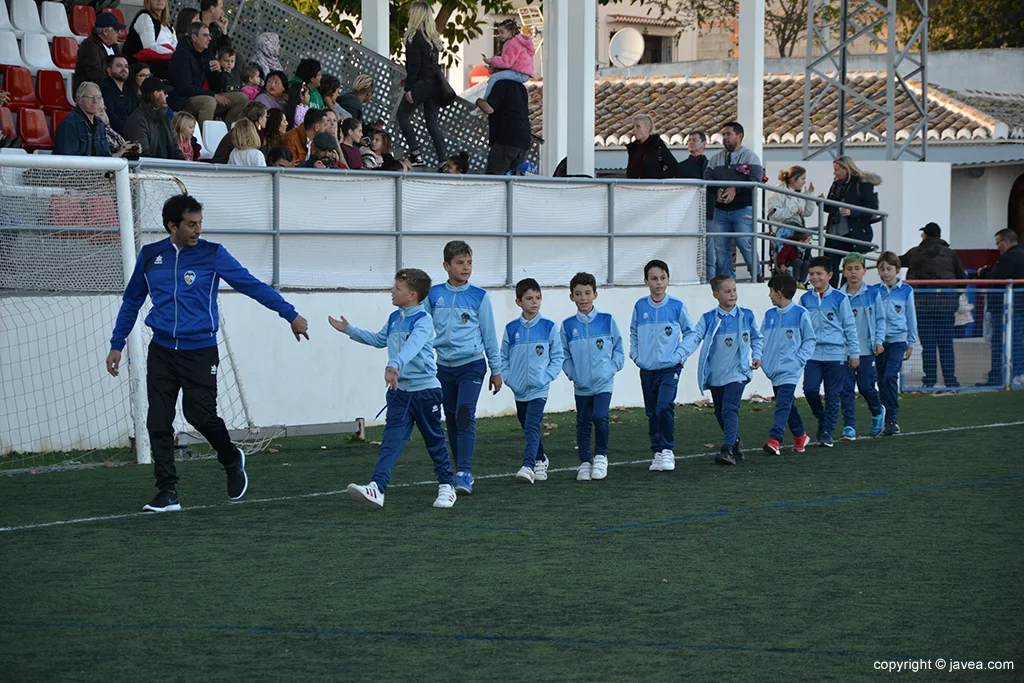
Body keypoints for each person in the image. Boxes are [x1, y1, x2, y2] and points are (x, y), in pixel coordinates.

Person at [105, 194, 309, 513]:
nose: (198, 229)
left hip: (199, 351)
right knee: (158, 421)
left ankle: (230, 458)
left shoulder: (213, 254)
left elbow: (251, 285)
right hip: (161, 351)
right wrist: (117, 344)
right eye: (191, 224)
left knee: (199, 416)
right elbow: (132, 301)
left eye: (200, 223)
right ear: (172, 226)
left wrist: (290, 314)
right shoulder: (150, 256)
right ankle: (168, 491)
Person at [329, 269, 458, 510]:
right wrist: (349, 330)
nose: (392, 291)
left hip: (425, 392)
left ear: (411, 295)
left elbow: (413, 345)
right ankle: (377, 488)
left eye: (397, 288)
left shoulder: (424, 321)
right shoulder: (393, 318)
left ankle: (446, 486)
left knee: (434, 440)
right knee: (391, 440)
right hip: (399, 393)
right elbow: (380, 340)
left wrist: (394, 365)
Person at [424, 241, 504, 495]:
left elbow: (489, 335)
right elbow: (421, 330)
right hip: (442, 367)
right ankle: (460, 470)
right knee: (451, 419)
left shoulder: (479, 296)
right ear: (446, 266)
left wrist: (496, 369)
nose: (466, 268)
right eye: (460, 263)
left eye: (469, 262)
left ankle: (464, 472)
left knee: (464, 413)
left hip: (472, 365)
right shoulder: (433, 295)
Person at [679, 274, 763, 466]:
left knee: (729, 409)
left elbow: (757, 338)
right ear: (716, 294)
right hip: (716, 375)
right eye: (727, 291)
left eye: (734, 290)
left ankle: (726, 451)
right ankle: (735, 443)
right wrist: (681, 356)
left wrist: (757, 355)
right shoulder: (708, 318)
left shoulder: (746, 315)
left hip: (738, 373)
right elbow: (694, 338)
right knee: (720, 413)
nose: (733, 295)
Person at [629, 259, 694, 472]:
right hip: (647, 368)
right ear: (646, 281)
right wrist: (636, 356)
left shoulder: (676, 306)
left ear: (668, 279)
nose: (659, 283)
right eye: (654, 279)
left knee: (665, 405)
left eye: (662, 278)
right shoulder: (640, 306)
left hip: (670, 367)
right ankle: (657, 451)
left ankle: (668, 450)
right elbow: (634, 332)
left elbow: (691, 334)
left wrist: (680, 353)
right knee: (652, 411)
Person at [560, 272, 624, 481]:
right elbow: (563, 354)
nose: (583, 298)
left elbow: (619, 349)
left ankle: (601, 456)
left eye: (587, 293)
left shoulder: (607, 321)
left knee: (600, 417)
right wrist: (573, 374)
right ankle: (585, 462)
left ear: (595, 294)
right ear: (571, 297)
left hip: (604, 383)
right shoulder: (568, 326)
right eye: (578, 294)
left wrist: (610, 369)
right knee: (583, 421)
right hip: (582, 385)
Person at [500, 278, 564, 484]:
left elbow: (558, 356)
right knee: (527, 424)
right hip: (519, 389)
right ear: (518, 302)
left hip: (539, 389)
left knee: (532, 425)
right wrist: (510, 379)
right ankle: (540, 459)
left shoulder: (548, 327)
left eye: (538, 298)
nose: (534, 302)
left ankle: (528, 465)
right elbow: (503, 358)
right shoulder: (511, 329)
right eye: (529, 298)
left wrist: (546, 377)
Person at [799, 256, 860, 448]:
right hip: (812, 354)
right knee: (809, 389)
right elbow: (801, 327)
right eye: (811, 274)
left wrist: (854, 353)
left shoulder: (840, 298)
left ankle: (827, 432)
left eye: (819, 274)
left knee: (833, 394)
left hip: (836, 354)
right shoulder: (805, 298)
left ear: (830, 275)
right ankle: (822, 417)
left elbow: (850, 327)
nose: (815, 277)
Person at [899, 222, 965, 388]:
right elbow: (962, 277)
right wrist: (955, 295)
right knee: (946, 345)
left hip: (923, 306)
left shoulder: (915, 253)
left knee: (928, 346)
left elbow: (896, 261)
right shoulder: (950, 254)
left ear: (925, 234)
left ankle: (929, 381)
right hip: (946, 307)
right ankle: (951, 381)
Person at [760, 274, 816, 456]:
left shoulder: (801, 313)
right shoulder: (769, 315)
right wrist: (760, 358)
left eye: (770, 292)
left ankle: (775, 440)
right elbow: (761, 339)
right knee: (787, 406)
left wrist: (798, 360)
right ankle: (800, 435)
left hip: (791, 370)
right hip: (773, 371)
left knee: (782, 405)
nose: (769, 295)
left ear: (779, 293)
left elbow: (810, 339)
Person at [704, 121, 764, 280]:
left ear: (739, 136)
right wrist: (717, 190)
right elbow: (707, 179)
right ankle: (726, 279)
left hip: (743, 208)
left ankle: (756, 275)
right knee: (720, 247)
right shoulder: (716, 158)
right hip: (720, 210)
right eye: (723, 134)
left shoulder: (751, 157)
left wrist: (735, 189)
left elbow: (756, 180)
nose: (725, 138)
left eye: (728, 134)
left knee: (744, 242)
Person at [838, 253, 886, 440]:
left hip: (866, 350)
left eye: (857, 268)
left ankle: (876, 411)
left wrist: (878, 340)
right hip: (844, 352)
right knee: (846, 389)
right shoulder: (838, 296)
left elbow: (881, 319)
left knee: (866, 387)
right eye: (849, 269)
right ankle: (849, 426)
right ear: (843, 271)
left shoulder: (873, 293)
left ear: (864, 271)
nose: (853, 273)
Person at [169, 23, 248, 127]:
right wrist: (213, 95)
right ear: (194, 37)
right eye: (205, 35)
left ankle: (226, 133)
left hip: (204, 95)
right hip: (184, 100)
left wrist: (219, 72)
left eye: (210, 35)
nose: (209, 38)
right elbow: (185, 87)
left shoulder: (207, 54)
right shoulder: (182, 55)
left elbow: (216, 86)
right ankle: (203, 136)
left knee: (242, 98)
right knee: (209, 101)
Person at [397, 1, 447, 166]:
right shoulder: (433, 39)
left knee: (402, 115)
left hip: (421, 84)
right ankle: (443, 159)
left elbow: (414, 66)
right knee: (432, 124)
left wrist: (409, 88)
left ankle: (416, 154)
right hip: (435, 86)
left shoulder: (414, 37)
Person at [876, 251, 917, 436]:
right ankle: (884, 416)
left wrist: (911, 342)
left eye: (889, 269)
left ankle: (892, 417)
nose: (885, 273)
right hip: (878, 343)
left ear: (897, 269)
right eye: (882, 269)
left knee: (890, 377)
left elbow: (910, 317)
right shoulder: (875, 291)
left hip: (898, 342)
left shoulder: (906, 290)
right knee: (881, 381)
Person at [824, 155, 881, 284]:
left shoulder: (862, 183)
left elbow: (872, 208)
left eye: (837, 169)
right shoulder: (836, 184)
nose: (835, 173)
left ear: (846, 169)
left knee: (850, 269)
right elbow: (828, 206)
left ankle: (846, 295)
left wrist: (853, 212)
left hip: (853, 233)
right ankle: (832, 295)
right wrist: (822, 202)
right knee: (831, 267)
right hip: (834, 232)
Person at [978, 229, 1024, 386]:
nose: (997, 247)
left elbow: (996, 277)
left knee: (1000, 343)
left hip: (1004, 308)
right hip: (1018, 307)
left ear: (1005, 241)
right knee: (1017, 341)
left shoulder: (1009, 258)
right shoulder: (1020, 254)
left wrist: (983, 272)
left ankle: (999, 378)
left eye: (998, 243)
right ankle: (1015, 374)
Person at [677, 130, 716, 276]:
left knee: (710, 251)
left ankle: (711, 281)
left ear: (704, 143)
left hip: (708, 213)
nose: (691, 143)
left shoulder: (711, 166)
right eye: (689, 140)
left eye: (694, 140)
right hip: (687, 214)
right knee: (686, 248)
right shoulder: (680, 168)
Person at [476, 18, 534, 115]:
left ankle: (486, 100)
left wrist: (492, 60)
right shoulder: (518, 42)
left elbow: (507, 63)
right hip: (524, 73)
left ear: (511, 31)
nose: (500, 35)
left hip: (520, 73)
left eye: (502, 32)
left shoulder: (511, 43)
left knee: (494, 77)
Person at [123, 77, 185, 160]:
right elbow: (143, 155)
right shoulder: (137, 120)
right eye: (165, 92)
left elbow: (176, 149)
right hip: (149, 170)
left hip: (168, 169)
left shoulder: (166, 118)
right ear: (156, 94)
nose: (167, 95)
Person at [55, 83, 114, 157]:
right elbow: (69, 158)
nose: (95, 101)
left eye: (98, 97)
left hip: (97, 167)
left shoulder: (99, 123)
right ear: (79, 100)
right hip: (78, 167)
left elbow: (105, 154)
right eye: (90, 97)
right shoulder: (69, 123)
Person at [485, 79, 530, 175]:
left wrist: (479, 101)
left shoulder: (501, 84)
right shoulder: (521, 87)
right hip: (524, 139)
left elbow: (489, 108)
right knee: (515, 180)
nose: (489, 69)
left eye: (491, 66)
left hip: (506, 139)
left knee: (494, 179)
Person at [123, 0, 176, 79]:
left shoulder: (168, 25)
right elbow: (150, 47)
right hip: (142, 63)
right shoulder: (145, 17)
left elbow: (175, 46)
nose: (159, 0)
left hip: (163, 62)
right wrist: (173, 53)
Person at [74, 13, 124, 95]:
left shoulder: (114, 46)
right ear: (105, 31)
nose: (119, 33)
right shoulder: (89, 45)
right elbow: (96, 74)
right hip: (90, 91)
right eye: (116, 30)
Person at [767, 165, 815, 241]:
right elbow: (773, 215)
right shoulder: (778, 192)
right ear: (793, 180)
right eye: (803, 179)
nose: (805, 182)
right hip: (783, 234)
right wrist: (794, 209)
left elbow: (807, 212)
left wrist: (810, 194)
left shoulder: (798, 192)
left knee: (806, 249)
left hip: (797, 232)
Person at [625, 113, 677, 180]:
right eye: (633, 127)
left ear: (647, 128)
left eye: (638, 126)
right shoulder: (633, 148)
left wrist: (657, 179)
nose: (634, 130)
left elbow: (674, 167)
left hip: (652, 188)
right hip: (635, 188)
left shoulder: (657, 145)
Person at [100, 55, 136, 136]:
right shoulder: (104, 89)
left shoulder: (130, 90)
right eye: (119, 66)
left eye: (126, 66)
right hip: (114, 133)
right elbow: (111, 116)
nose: (124, 69)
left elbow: (135, 113)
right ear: (109, 70)